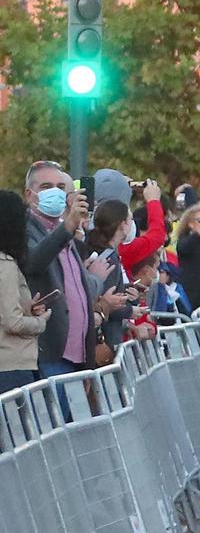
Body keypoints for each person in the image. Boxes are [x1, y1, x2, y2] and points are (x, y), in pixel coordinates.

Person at [22, 162, 97, 380]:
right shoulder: (25, 229)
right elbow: (34, 262)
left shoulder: (64, 231)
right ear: (30, 194)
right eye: (46, 186)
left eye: (60, 187)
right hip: (51, 354)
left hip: (78, 356)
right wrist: (68, 226)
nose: (55, 192)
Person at [0, 190, 53, 395]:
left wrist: (27, 308)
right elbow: (12, 321)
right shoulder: (6, 266)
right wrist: (40, 322)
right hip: (12, 366)